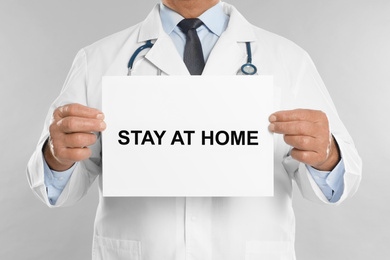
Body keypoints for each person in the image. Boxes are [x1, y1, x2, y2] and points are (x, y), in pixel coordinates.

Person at [27, 0, 362, 259]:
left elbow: (338, 182)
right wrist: (57, 158)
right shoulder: (98, 59)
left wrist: (327, 155)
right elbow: (57, 189)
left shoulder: (289, 60)